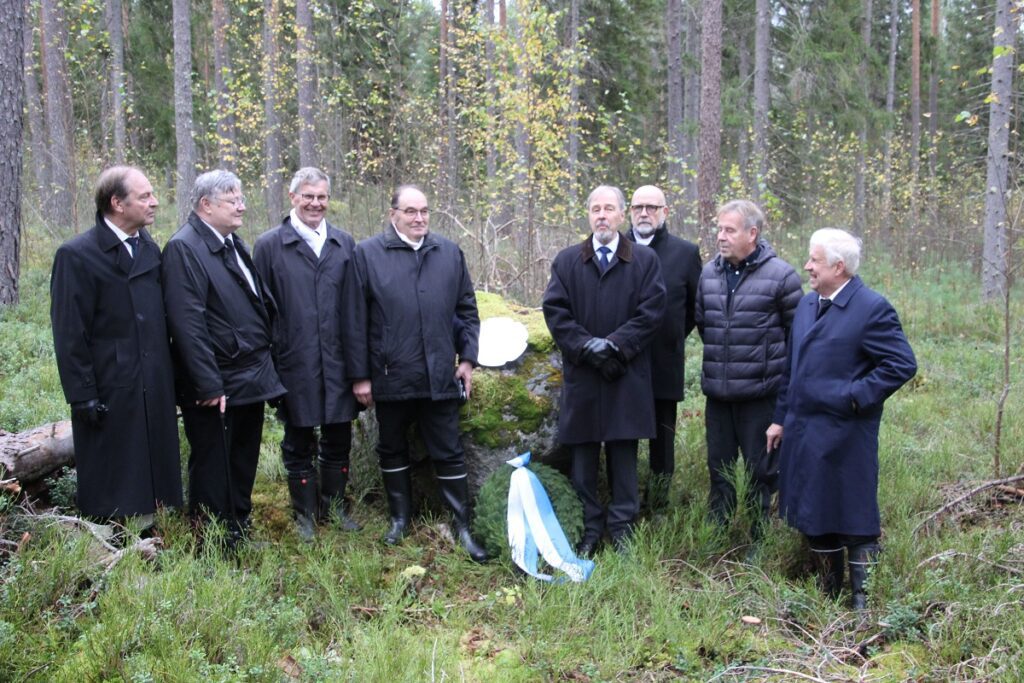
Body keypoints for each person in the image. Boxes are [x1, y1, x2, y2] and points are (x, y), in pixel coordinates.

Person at [767, 228, 916, 609]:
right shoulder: (807, 305)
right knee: (815, 510)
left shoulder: (871, 308)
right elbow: (792, 370)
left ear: (838, 266)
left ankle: (863, 601)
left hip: (847, 433)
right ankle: (827, 595)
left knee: (853, 511)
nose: (807, 266)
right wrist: (780, 418)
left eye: (814, 260)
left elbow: (901, 363)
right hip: (804, 430)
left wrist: (854, 397)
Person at [344, 185, 488, 562]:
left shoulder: (449, 253)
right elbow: (354, 320)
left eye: (424, 211)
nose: (419, 218)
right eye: (410, 211)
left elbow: (467, 312)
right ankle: (399, 520)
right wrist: (360, 376)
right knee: (391, 447)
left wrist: (468, 359)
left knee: (449, 451)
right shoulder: (367, 255)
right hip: (390, 375)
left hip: (440, 375)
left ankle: (462, 527)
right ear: (393, 214)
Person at [50, 166, 182, 527]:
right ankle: (114, 541)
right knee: (116, 472)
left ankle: (153, 533)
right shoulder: (77, 255)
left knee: (151, 467)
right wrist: (83, 396)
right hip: (110, 385)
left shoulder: (148, 248)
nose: (154, 202)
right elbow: (69, 333)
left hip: (152, 380)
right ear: (117, 203)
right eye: (145, 196)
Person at [162, 170, 285, 547]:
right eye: (234, 200)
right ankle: (213, 540)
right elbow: (188, 322)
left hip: (248, 375)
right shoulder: (184, 248)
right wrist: (208, 383)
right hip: (218, 380)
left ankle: (238, 528)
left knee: (242, 458)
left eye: (241, 198)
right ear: (206, 205)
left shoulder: (230, 241)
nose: (242, 206)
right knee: (215, 462)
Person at [542, 185, 666, 556]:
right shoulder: (567, 261)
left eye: (608, 208)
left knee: (623, 456)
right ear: (588, 216)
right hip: (583, 377)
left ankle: (623, 529)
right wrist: (585, 347)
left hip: (625, 376)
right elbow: (556, 312)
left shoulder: (643, 261)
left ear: (621, 214)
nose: (601, 215)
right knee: (582, 460)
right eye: (595, 209)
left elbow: (652, 312)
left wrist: (613, 345)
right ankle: (589, 528)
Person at [253, 167, 362, 541]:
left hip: (338, 360)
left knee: (338, 436)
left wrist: (359, 366)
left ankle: (334, 506)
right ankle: (305, 515)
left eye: (322, 197)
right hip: (293, 360)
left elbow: (356, 307)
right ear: (293, 197)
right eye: (308, 196)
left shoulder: (345, 244)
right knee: (298, 439)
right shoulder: (269, 246)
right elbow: (260, 311)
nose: (316, 204)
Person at [695, 199, 802, 539]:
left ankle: (759, 535)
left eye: (729, 230)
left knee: (761, 472)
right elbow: (704, 324)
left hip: (760, 397)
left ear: (752, 234)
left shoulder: (781, 276)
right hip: (718, 395)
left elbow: (796, 336)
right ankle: (718, 532)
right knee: (720, 470)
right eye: (719, 229)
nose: (721, 237)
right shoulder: (709, 273)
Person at [626, 185, 701, 512]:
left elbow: (694, 310)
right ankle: (624, 503)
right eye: (638, 207)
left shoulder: (685, 253)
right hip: (621, 364)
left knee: (662, 440)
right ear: (629, 211)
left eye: (652, 207)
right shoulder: (617, 248)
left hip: (663, 363)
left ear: (665, 212)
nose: (644, 213)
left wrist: (671, 337)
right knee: (622, 438)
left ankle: (657, 506)